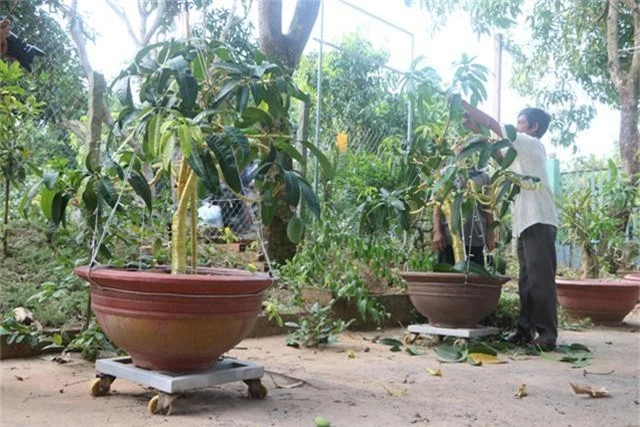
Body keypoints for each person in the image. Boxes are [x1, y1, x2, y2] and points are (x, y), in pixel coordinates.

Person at [460, 101, 559, 351]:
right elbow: (498, 155)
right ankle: (524, 331)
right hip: (526, 221)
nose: (516, 127)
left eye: (521, 123)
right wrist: (475, 130)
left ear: (534, 128)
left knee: (540, 281)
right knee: (527, 280)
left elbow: (495, 126)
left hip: (539, 218)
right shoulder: (520, 154)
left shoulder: (532, 144)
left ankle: (547, 335)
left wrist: (470, 109)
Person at [432, 167, 495, 267]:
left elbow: (488, 207)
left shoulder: (483, 177)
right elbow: (437, 207)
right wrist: (437, 231)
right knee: (447, 279)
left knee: (474, 279)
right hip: (448, 240)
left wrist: (491, 235)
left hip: (476, 239)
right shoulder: (445, 174)